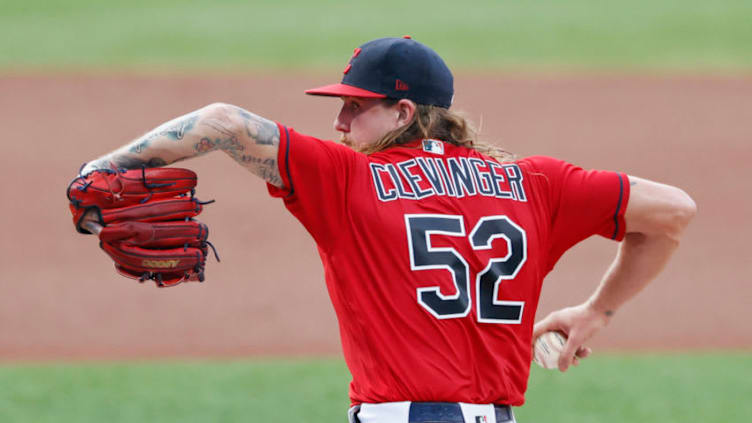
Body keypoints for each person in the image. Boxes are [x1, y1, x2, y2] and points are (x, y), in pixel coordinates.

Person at [78, 36, 696, 423]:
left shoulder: (349, 181)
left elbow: (220, 122)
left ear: (404, 112)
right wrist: (597, 313)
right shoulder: (538, 184)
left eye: (355, 106)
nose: (341, 123)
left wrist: (100, 170)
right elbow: (673, 212)